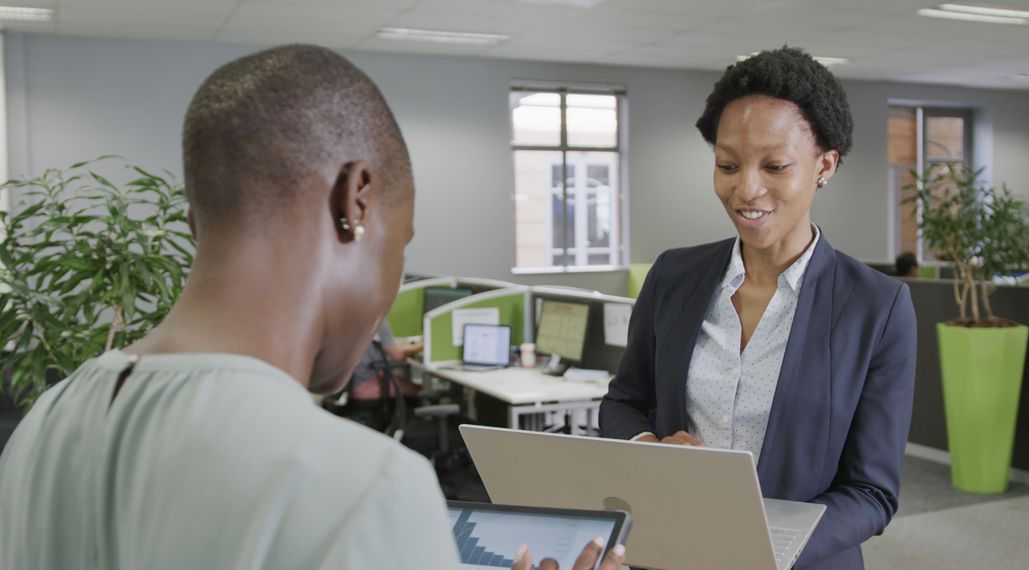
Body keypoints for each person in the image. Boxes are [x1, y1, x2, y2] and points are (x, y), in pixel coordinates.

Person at [0, 45, 624, 570]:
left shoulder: (43, 427)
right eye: (399, 244)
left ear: (197, 223)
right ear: (355, 201)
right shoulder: (361, 484)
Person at [600, 47, 916, 569]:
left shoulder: (876, 308)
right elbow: (622, 402)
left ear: (825, 165)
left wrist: (765, 548)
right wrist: (650, 445)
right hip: (672, 553)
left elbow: (872, 492)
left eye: (775, 165)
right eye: (728, 164)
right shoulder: (673, 277)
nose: (746, 188)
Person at [348, 318, 423, 401]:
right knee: (420, 390)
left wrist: (414, 346)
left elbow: (391, 347)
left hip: (356, 383)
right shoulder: (378, 320)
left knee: (406, 383)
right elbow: (397, 354)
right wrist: (420, 345)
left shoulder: (364, 318)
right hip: (365, 385)